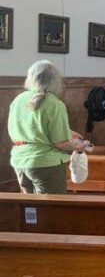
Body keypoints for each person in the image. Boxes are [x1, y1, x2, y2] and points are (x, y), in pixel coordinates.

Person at [8, 60, 91, 194]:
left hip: (19, 160)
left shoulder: (19, 100)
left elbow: (31, 128)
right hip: (45, 163)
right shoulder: (54, 104)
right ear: (55, 81)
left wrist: (68, 132)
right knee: (51, 210)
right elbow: (60, 143)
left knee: (29, 209)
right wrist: (79, 147)